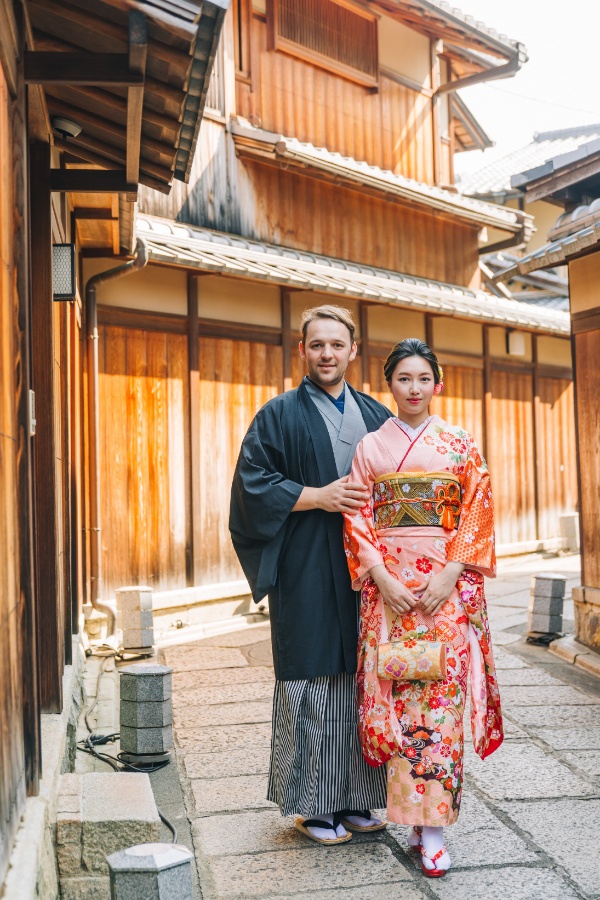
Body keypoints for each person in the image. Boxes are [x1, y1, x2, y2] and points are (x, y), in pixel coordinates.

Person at [230, 305, 394, 845]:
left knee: (362, 672)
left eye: (336, 344)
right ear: (302, 350)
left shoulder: (375, 415)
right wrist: (315, 495)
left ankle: (360, 797)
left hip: (365, 565)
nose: (327, 353)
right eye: (316, 344)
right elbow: (251, 486)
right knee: (311, 673)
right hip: (303, 560)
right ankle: (313, 804)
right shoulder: (278, 415)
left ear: (353, 351)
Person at [343, 338, 503, 876]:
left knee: (439, 706)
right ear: (389, 384)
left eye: (422, 378)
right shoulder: (371, 447)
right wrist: (382, 576)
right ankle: (414, 817)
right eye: (402, 379)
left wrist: (452, 573)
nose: (413, 389)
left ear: (438, 384)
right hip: (391, 597)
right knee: (398, 704)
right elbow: (357, 517)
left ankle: (432, 829)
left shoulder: (460, 444)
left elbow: (476, 513)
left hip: (444, 594)